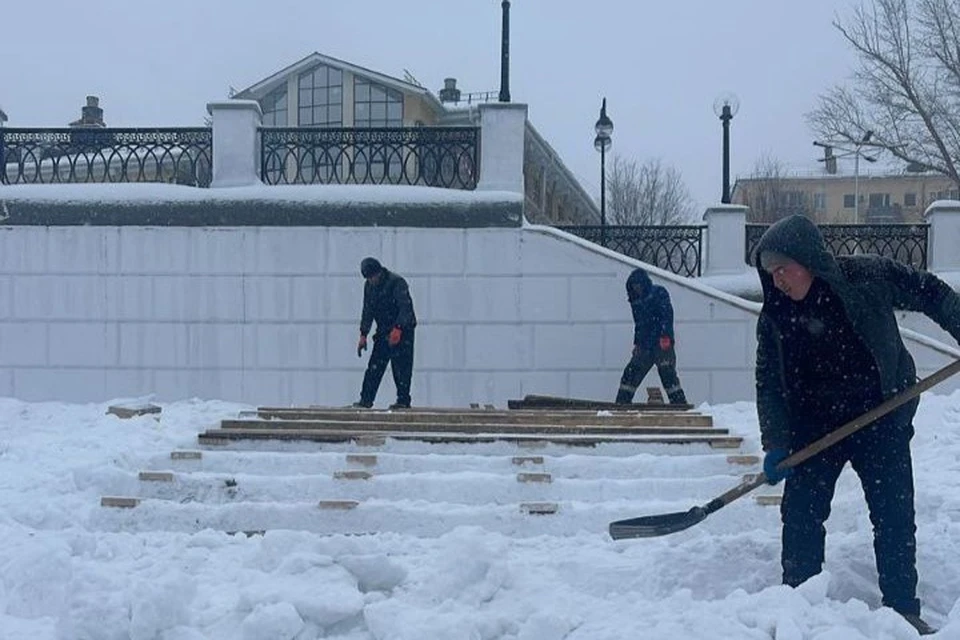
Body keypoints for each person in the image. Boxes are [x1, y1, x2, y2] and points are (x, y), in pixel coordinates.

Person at [754, 214, 960, 636]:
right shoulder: (774, 316)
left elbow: (930, 292)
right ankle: (797, 606)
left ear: (807, 260)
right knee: (801, 517)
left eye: (782, 270)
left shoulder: (867, 276)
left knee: (894, 516)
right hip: (815, 429)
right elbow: (769, 382)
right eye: (770, 273)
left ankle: (902, 611)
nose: (777, 282)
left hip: (881, 414)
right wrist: (776, 442)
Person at [615, 267, 688, 405]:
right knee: (631, 372)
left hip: (661, 341)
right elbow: (639, 324)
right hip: (645, 344)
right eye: (634, 286)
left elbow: (666, 315)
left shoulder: (658, 293)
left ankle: (679, 404)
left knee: (667, 373)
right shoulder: (635, 301)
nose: (637, 289)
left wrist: (665, 335)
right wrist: (637, 343)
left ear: (644, 283)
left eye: (638, 285)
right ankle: (622, 403)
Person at [353, 257, 418, 409]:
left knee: (401, 367)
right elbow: (367, 310)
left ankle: (403, 400)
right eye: (369, 278)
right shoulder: (369, 286)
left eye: (373, 276)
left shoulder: (397, 282)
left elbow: (405, 308)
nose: (372, 280)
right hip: (383, 330)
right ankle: (366, 399)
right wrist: (363, 333)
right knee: (375, 366)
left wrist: (399, 328)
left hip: (403, 330)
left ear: (379, 272)